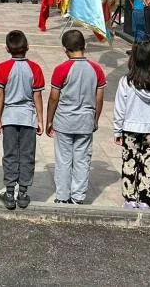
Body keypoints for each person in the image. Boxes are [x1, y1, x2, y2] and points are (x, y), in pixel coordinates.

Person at [45, 29, 107, 204]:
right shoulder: (96, 69)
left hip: (64, 121)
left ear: (65, 49)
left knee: (63, 159)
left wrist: (50, 119)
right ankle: (78, 196)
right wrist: (96, 118)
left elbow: (53, 98)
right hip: (86, 121)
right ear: (84, 46)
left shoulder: (61, 69)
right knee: (82, 159)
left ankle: (62, 196)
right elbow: (99, 97)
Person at [112, 40, 150, 209]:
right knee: (148, 164)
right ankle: (145, 199)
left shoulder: (127, 81)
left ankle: (130, 198)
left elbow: (119, 108)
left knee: (129, 162)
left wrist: (117, 130)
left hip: (130, 129)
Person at [0, 30, 44, 210]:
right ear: (27, 47)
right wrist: (40, 120)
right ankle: (22, 193)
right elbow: (37, 97)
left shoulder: (3, 68)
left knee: (10, 154)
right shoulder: (35, 68)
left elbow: (0, 95)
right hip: (28, 118)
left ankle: (9, 192)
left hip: (9, 118)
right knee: (27, 155)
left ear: (7, 48)